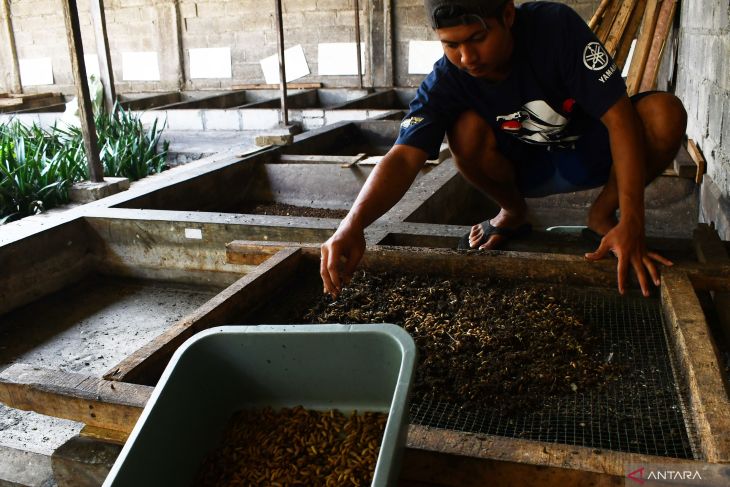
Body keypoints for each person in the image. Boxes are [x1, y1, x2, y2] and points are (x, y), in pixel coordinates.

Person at [320, 0, 687, 298]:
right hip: (525, 169)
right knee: (463, 129)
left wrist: (632, 222)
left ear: (508, 16)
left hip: (590, 153)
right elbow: (403, 156)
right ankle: (512, 211)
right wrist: (352, 224)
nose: (466, 57)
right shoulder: (447, 79)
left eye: (477, 38)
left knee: (664, 114)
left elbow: (619, 117)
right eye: (451, 45)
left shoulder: (554, 28)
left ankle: (602, 216)